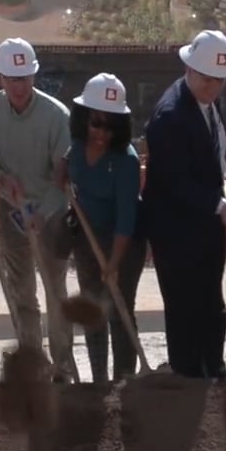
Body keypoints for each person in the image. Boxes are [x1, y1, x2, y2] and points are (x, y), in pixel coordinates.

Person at [0, 37, 77, 381]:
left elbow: (62, 178)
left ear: (34, 76)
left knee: (54, 289)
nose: (19, 86)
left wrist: (41, 212)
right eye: (11, 78)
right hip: (11, 207)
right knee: (22, 290)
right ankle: (33, 361)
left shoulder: (56, 116)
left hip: (51, 210)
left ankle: (62, 364)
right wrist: (1, 178)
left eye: (24, 78)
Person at [140, 28, 226, 380]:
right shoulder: (170, 116)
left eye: (220, 80)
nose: (214, 87)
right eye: (208, 79)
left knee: (211, 301)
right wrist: (218, 206)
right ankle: (188, 376)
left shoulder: (210, 105)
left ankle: (213, 366)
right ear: (190, 70)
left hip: (206, 223)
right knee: (184, 304)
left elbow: (216, 156)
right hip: (176, 228)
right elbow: (175, 180)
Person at [67, 73, 147, 382]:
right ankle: (98, 380)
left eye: (111, 126)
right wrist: (62, 168)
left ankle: (123, 380)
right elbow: (67, 159)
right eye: (96, 123)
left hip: (125, 242)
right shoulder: (75, 146)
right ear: (84, 119)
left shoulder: (126, 161)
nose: (102, 133)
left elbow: (127, 219)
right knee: (93, 309)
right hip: (87, 236)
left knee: (119, 307)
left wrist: (113, 263)